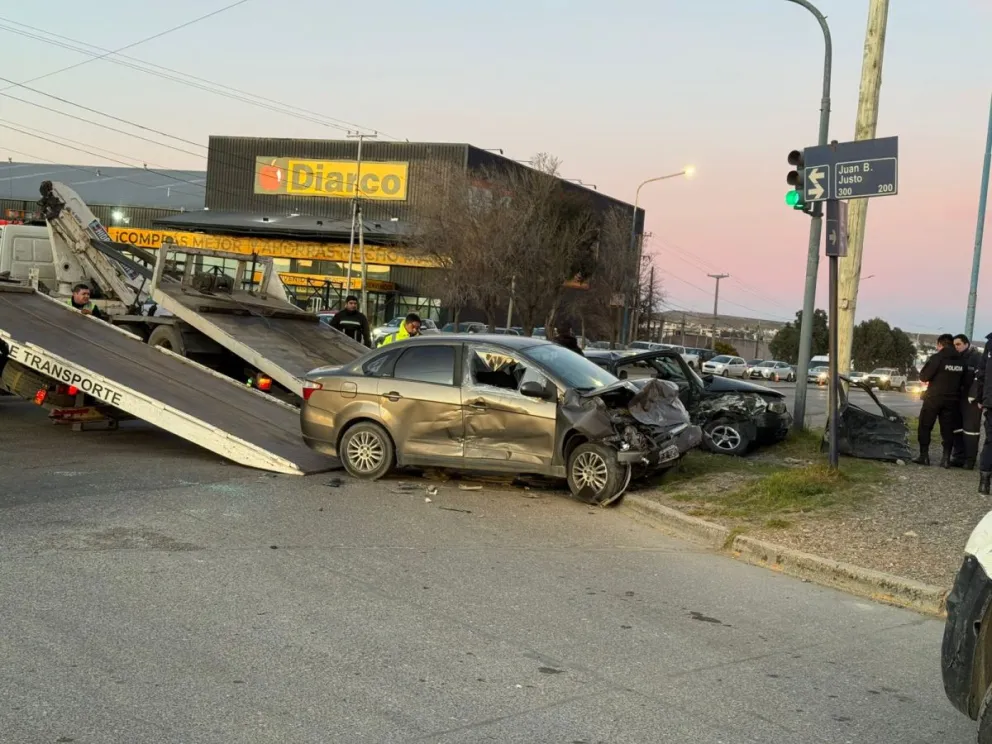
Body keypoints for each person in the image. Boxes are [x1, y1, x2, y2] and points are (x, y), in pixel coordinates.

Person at [915, 333, 965, 467]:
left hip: (934, 398)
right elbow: (965, 381)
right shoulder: (961, 359)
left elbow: (924, 376)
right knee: (948, 429)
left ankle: (924, 456)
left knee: (925, 426)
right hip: (952, 400)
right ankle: (946, 459)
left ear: (940, 344)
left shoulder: (938, 358)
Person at [951, 333, 983, 469]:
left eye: (958, 344)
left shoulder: (976, 358)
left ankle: (970, 460)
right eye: (954, 345)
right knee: (957, 429)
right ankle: (958, 456)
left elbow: (981, 378)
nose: (956, 347)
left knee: (971, 431)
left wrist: (974, 395)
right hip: (958, 398)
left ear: (966, 344)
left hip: (971, 401)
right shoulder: (955, 358)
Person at [973, 332, 992, 494]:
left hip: (991, 399)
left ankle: (984, 484)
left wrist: (980, 397)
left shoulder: (990, 343)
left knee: (991, 441)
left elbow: (982, 373)